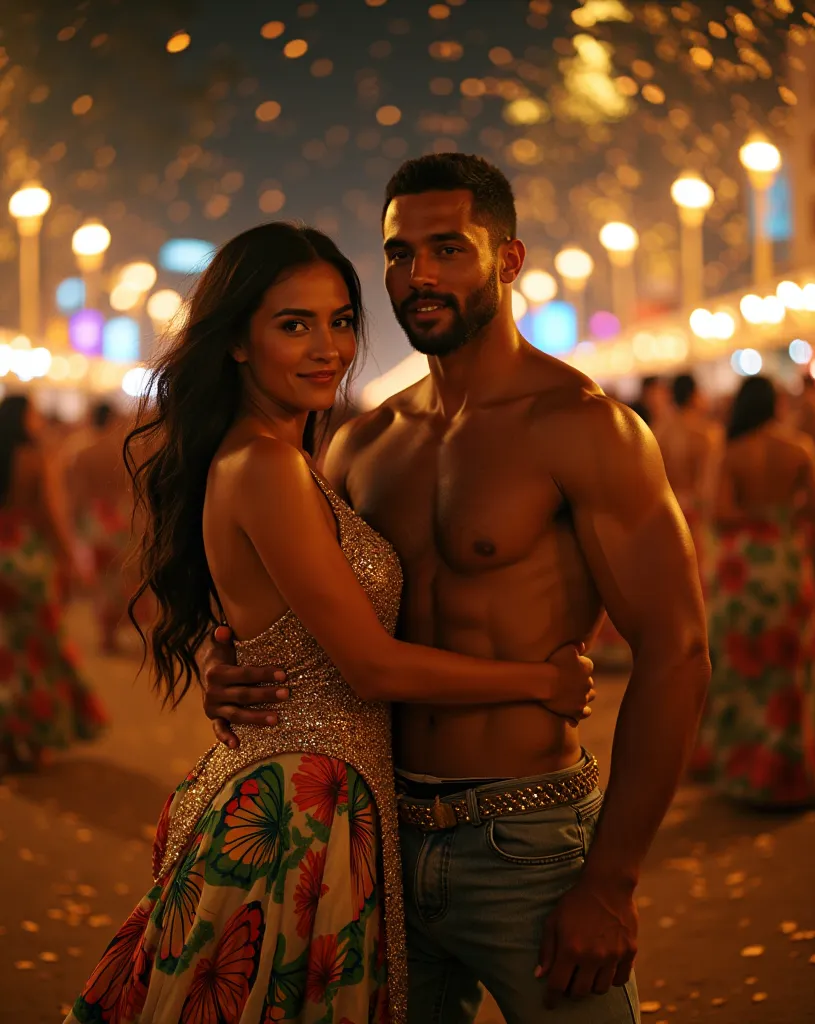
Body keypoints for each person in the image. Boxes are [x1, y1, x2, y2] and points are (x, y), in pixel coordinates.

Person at [204, 154, 710, 1024]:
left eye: (449, 249)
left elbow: (678, 653)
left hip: (527, 844)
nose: (419, 277)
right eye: (400, 254)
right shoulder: (363, 444)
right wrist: (236, 669)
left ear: (507, 261)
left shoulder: (584, 427)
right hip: (371, 842)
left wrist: (612, 881)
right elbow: (312, 618)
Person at [65, 222, 596, 1024]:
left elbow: (270, 621)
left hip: (322, 800)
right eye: (293, 324)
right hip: (296, 816)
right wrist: (543, 681)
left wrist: (224, 656)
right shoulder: (269, 464)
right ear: (237, 342)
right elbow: (371, 667)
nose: (328, 347)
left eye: (341, 320)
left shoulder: (297, 458)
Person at [692, 376, 815, 805]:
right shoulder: (800, 448)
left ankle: (742, 771)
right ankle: (785, 774)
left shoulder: (731, 452)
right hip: (785, 563)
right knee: (786, 671)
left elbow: (721, 513)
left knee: (740, 668)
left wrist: (753, 515)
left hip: (742, 571)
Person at [0, 394, 105, 772]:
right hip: (27, 554)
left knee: (5, 651)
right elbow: (50, 511)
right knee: (40, 649)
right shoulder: (35, 457)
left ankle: (6, 740)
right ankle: (36, 735)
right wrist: (69, 559)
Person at [70, 401, 134, 653]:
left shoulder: (83, 453)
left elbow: (79, 494)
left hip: (94, 520)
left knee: (101, 580)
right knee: (117, 579)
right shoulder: (122, 452)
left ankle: (105, 634)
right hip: (118, 520)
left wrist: (76, 523)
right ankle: (112, 632)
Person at [654, 373, 723, 580]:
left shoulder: (659, 431)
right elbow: (709, 483)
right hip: (698, 513)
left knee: (675, 578)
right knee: (700, 574)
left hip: (668, 510)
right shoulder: (709, 433)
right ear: (694, 395)